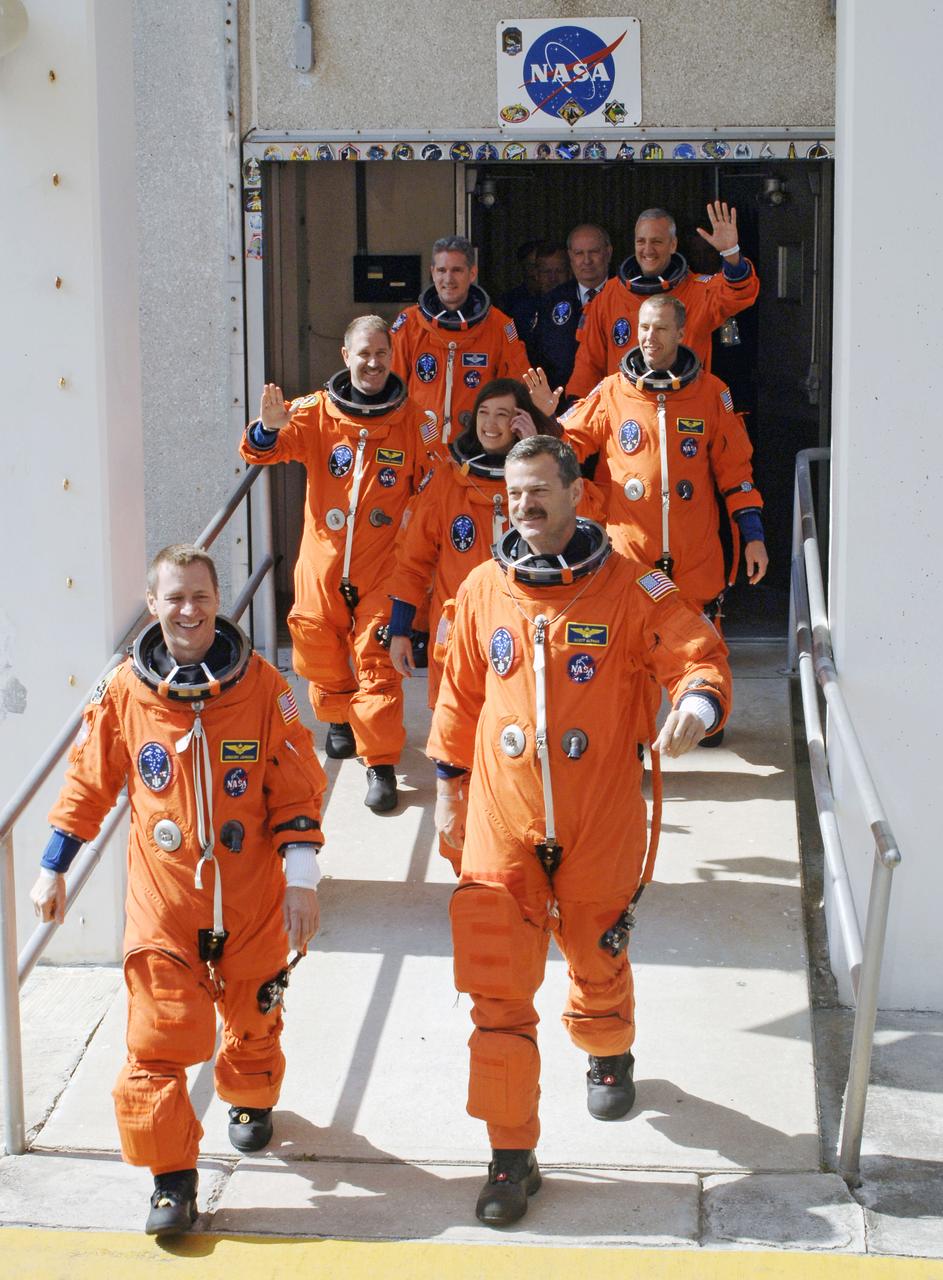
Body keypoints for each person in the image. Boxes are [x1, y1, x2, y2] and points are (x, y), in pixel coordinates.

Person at [428, 436, 732, 1227]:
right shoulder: (482, 588)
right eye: (511, 495)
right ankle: (509, 1154)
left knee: (597, 947)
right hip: (504, 821)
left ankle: (605, 1046)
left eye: (537, 492)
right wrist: (448, 789)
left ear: (575, 495)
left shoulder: (633, 584)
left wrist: (695, 707)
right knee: (494, 986)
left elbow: (696, 652)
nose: (522, 506)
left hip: (599, 816)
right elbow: (458, 697)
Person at [29, 545, 326, 1237]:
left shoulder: (259, 686)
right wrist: (53, 864)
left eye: (199, 596)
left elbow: (295, 786)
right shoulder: (126, 692)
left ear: (218, 599)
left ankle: (249, 1100)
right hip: (166, 906)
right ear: (152, 601)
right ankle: (172, 1181)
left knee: (253, 1018)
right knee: (159, 1039)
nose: (187, 610)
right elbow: (88, 781)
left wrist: (302, 880)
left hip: (251, 898)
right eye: (174, 597)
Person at [535, 295, 767, 743]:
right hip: (632, 552)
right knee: (633, 653)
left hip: (694, 553)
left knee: (699, 643)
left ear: (682, 334)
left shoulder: (712, 394)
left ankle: (701, 708)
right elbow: (568, 450)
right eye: (642, 327)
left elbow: (736, 474)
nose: (649, 337)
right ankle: (635, 740)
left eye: (660, 329)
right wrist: (547, 421)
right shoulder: (611, 392)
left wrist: (753, 535)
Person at [240, 315, 428, 812]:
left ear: (393, 357)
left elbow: (437, 485)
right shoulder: (318, 412)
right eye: (363, 354)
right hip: (322, 565)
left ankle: (381, 764)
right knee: (317, 648)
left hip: (381, 565)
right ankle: (341, 717)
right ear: (346, 356)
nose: (372, 363)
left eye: (381, 354)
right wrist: (266, 428)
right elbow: (262, 451)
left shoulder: (414, 421)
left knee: (379, 662)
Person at [385, 379, 558, 710]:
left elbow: (580, 520)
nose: (490, 424)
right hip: (457, 629)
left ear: (520, 420)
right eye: (484, 412)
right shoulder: (448, 479)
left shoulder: (541, 484)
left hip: (524, 624)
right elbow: (413, 559)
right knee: (454, 736)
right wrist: (400, 629)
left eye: (502, 414)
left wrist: (539, 450)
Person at [567, 203, 759, 400]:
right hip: (625, 414)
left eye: (657, 241)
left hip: (684, 408)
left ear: (673, 245)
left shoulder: (698, 292)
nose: (648, 250)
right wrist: (575, 411)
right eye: (641, 241)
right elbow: (588, 365)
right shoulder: (610, 294)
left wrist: (731, 253)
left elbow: (738, 293)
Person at [390, 235, 530, 447]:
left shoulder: (498, 326)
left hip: (477, 444)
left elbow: (516, 391)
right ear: (432, 272)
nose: (448, 279)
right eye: (441, 270)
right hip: (419, 445)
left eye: (457, 270)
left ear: (472, 273)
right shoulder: (410, 324)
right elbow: (392, 388)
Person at [532, 223, 613, 397]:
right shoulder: (552, 300)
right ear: (570, 256)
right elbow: (539, 356)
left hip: (614, 401)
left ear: (608, 252)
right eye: (579, 253)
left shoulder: (625, 295)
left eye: (594, 252)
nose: (586, 260)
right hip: (563, 404)